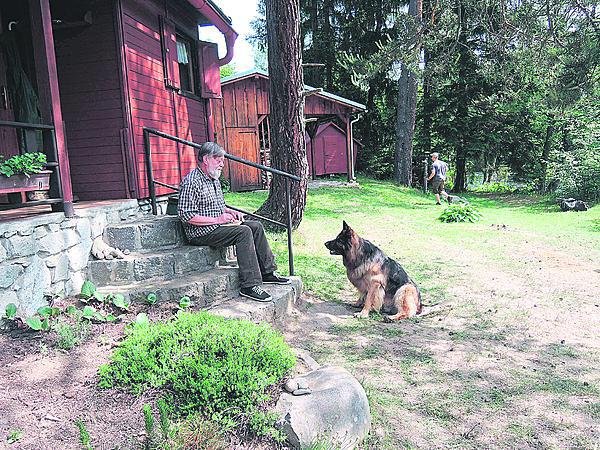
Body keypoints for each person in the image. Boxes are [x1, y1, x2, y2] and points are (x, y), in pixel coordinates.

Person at [178, 142, 290, 302]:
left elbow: (215, 206)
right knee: (243, 232)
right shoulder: (191, 182)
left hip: (216, 226)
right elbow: (186, 215)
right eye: (218, 160)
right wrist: (217, 219)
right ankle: (249, 285)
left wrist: (228, 211)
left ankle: (267, 272)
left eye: (222, 160)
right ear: (205, 159)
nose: (222, 164)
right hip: (200, 233)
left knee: (255, 226)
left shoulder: (213, 179)